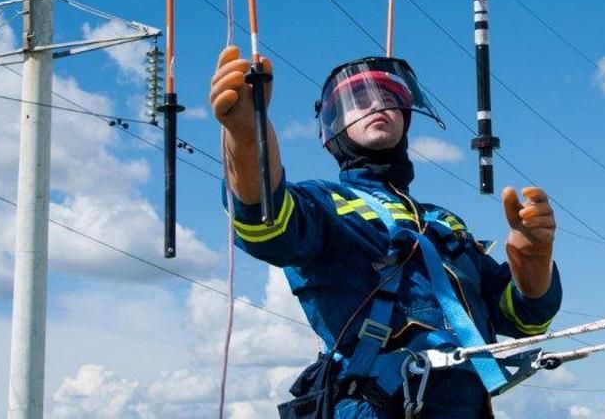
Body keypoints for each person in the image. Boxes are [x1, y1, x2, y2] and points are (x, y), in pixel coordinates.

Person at [210, 46, 562, 418]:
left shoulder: (444, 222)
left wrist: (533, 258)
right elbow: (266, 228)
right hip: (375, 404)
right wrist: (248, 138)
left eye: (390, 97)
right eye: (358, 98)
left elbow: (526, 321)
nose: (377, 104)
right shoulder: (325, 202)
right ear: (333, 124)